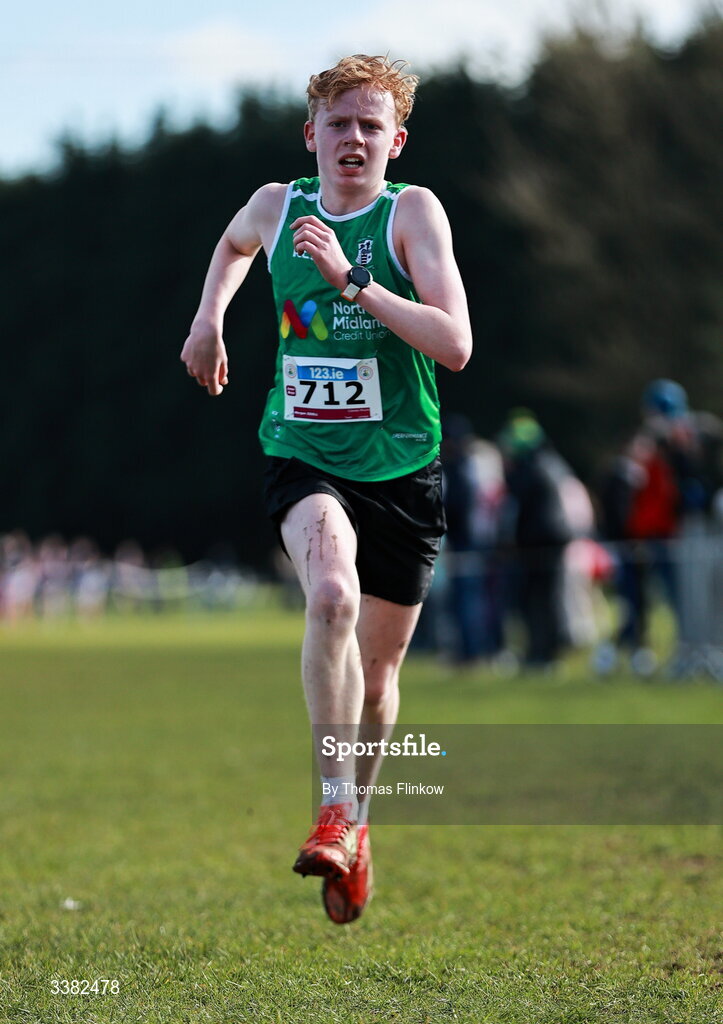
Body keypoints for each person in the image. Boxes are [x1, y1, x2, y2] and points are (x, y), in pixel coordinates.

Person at [180, 55, 472, 924]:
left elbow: (453, 343)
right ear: (310, 135)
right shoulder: (278, 206)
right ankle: (334, 805)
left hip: (403, 469)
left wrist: (353, 278)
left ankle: (358, 823)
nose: (353, 139)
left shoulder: (409, 214)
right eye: (337, 123)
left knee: (379, 683)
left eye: (369, 125)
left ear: (396, 141)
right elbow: (233, 245)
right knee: (332, 595)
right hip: (303, 454)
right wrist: (208, 319)